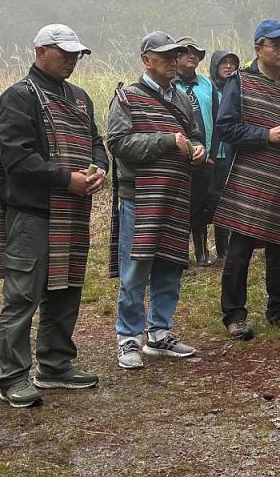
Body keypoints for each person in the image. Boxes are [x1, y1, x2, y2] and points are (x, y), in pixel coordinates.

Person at [0, 24, 106, 407]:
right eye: (64, 53)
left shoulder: (80, 98)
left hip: (72, 213)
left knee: (66, 291)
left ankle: (55, 364)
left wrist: (98, 168)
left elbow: (96, 142)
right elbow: (18, 158)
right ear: (40, 51)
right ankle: (12, 376)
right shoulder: (18, 97)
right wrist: (67, 178)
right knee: (22, 297)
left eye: (75, 55)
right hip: (33, 214)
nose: (71, 61)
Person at [107, 31, 207, 370]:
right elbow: (119, 144)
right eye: (165, 58)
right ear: (147, 60)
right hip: (139, 197)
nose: (172, 63)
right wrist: (166, 140)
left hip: (176, 195)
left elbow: (193, 135)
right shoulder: (127, 97)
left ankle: (160, 333)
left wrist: (198, 149)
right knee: (135, 270)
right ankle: (128, 339)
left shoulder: (181, 99)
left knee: (170, 265)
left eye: (174, 57)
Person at [215, 19, 280, 340]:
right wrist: (266, 134)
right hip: (249, 179)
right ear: (258, 48)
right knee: (240, 249)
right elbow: (226, 128)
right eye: (275, 44)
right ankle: (234, 315)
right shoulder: (241, 82)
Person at [174, 37, 219, 267]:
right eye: (186, 52)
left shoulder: (207, 85)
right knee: (180, 208)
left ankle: (202, 252)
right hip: (176, 158)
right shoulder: (168, 85)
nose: (192, 56)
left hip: (205, 157)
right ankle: (180, 255)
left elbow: (218, 117)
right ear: (176, 56)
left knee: (201, 206)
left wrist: (212, 154)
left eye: (196, 53)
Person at [207, 49, 240, 261]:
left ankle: (223, 248)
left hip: (230, 154)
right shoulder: (206, 88)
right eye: (223, 63)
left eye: (231, 63)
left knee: (226, 200)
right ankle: (201, 249)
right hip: (209, 155)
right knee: (205, 200)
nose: (228, 67)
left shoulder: (239, 88)